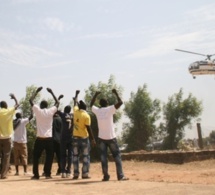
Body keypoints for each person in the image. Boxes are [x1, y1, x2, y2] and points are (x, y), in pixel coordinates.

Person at [90, 89, 129, 181]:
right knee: (117, 156)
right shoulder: (110, 109)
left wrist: (95, 94)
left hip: (101, 138)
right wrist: (116, 93)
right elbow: (120, 102)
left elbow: (91, 105)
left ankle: (106, 176)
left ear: (100, 104)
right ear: (107, 103)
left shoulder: (98, 111)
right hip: (111, 137)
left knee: (103, 158)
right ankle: (120, 176)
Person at [29, 87, 59, 180]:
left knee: (36, 157)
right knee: (49, 157)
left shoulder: (38, 111)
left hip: (40, 138)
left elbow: (30, 100)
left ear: (41, 106)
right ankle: (47, 173)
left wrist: (36, 91)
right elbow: (57, 103)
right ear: (47, 105)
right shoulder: (50, 111)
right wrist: (52, 92)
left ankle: (36, 175)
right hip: (49, 138)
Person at [72, 90, 96, 179]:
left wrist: (76, 94)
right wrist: (93, 139)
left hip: (75, 137)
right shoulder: (86, 116)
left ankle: (75, 174)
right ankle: (85, 173)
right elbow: (88, 128)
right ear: (85, 108)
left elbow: (74, 103)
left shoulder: (75, 112)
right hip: (84, 138)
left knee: (75, 156)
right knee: (85, 156)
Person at [0, 93, 19, 179]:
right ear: (6, 106)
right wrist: (14, 97)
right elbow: (17, 105)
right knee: (6, 156)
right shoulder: (9, 111)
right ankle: (3, 174)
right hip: (7, 137)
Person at [13, 111, 33, 176]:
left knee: (16, 157)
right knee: (24, 156)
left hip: (15, 142)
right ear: (21, 116)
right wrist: (32, 110)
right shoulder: (23, 121)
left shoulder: (13, 122)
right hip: (23, 142)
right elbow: (31, 117)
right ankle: (25, 171)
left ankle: (17, 172)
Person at [57, 105, 73, 178]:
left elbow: (56, 109)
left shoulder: (63, 115)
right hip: (70, 137)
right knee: (70, 155)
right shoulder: (72, 115)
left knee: (63, 155)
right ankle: (69, 171)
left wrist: (58, 99)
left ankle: (63, 171)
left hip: (63, 137)